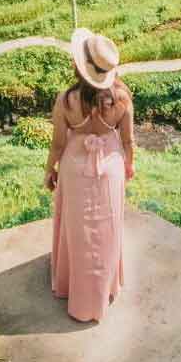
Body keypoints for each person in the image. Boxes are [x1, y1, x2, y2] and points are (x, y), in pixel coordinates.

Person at [44, 28, 135, 323]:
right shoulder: (122, 97)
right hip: (110, 169)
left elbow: (58, 143)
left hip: (74, 167)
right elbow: (128, 141)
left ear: (78, 66)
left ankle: (74, 287)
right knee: (107, 227)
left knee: (76, 228)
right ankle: (105, 287)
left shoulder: (66, 100)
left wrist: (50, 169)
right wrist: (129, 165)